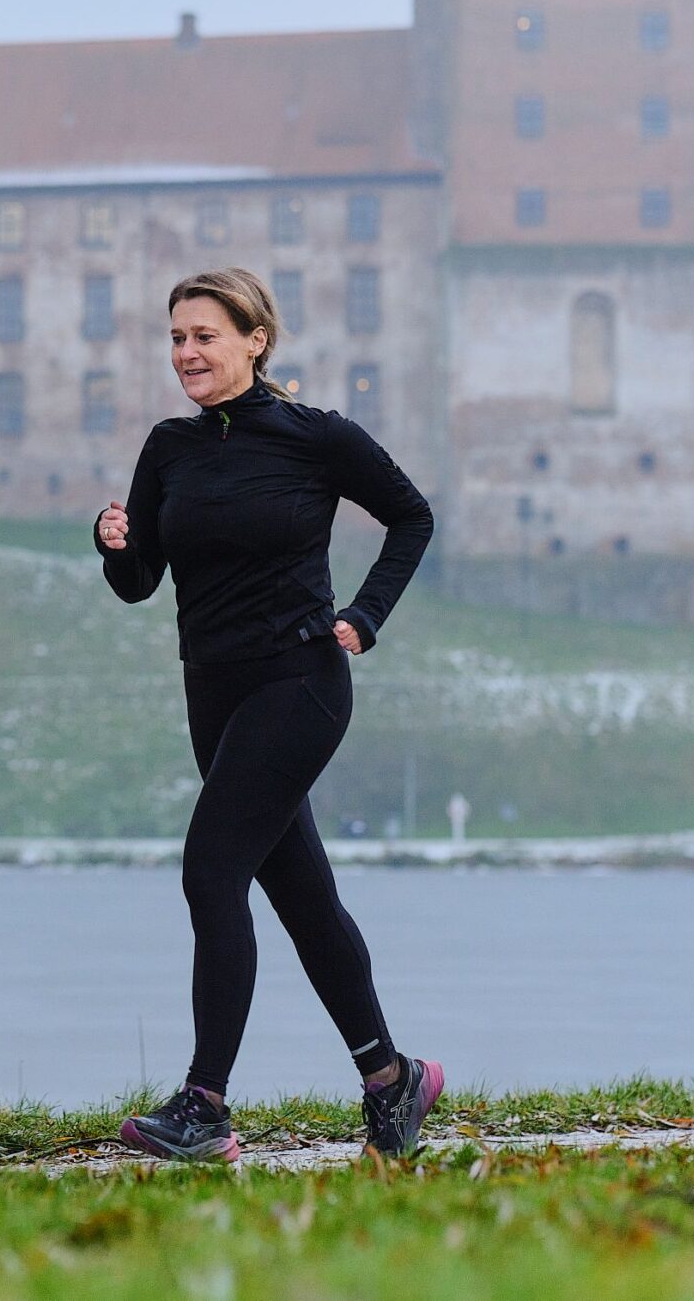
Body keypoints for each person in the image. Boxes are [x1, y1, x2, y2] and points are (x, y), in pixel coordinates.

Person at [95, 267, 443, 1162]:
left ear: (256, 339)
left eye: (204, 335)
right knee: (302, 895)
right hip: (212, 691)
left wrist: (364, 617)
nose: (186, 353)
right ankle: (391, 1079)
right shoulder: (168, 448)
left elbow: (411, 517)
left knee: (212, 868)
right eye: (176, 338)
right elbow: (141, 585)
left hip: (300, 682)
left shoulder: (314, 436)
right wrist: (113, 545)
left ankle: (205, 1104)